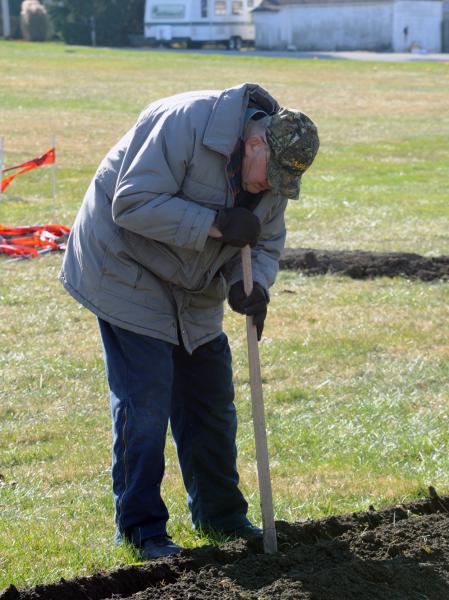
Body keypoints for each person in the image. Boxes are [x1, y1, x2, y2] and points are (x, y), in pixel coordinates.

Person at [59, 83, 319, 559]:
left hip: (193, 280)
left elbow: (266, 241)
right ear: (254, 142)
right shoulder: (184, 123)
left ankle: (221, 516)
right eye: (270, 177)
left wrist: (255, 285)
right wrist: (217, 224)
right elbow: (131, 202)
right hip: (124, 265)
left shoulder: (272, 171)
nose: (271, 188)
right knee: (147, 402)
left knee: (211, 401)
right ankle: (142, 530)